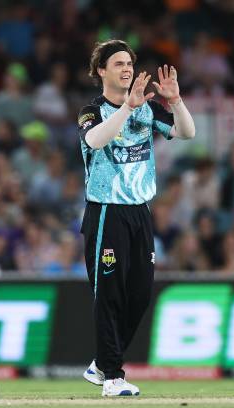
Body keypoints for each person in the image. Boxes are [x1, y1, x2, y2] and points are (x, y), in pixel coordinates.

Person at [77, 39, 195, 397]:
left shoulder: (146, 109)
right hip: (106, 213)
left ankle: (101, 363)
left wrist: (175, 101)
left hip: (140, 213)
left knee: (140, 295)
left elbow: (186, 132)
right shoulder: (91, 110)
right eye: (118, 64)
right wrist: (127, 108)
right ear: (101, 70)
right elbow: (95, 141)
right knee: (109, 295)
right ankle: (112, 376)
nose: (127, 69)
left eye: (129, 63)